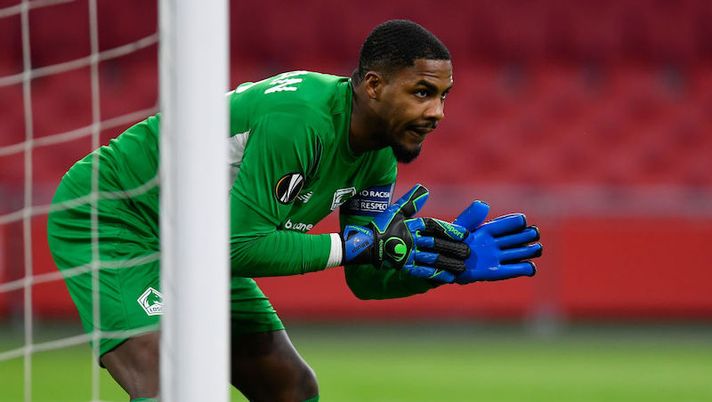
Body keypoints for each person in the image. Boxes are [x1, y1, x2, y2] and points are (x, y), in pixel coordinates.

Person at [47, 19, 542, 402]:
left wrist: (440, 265)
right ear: (372, 86)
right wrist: (352, 247)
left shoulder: (378, 158)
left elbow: (364, 277)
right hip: (116, 214)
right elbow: (238, 247)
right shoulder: (300, 120)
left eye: (442, 96)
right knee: (168, 384)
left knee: (291, 387)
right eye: (421, 92)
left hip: (199, 237)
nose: (436, 113)